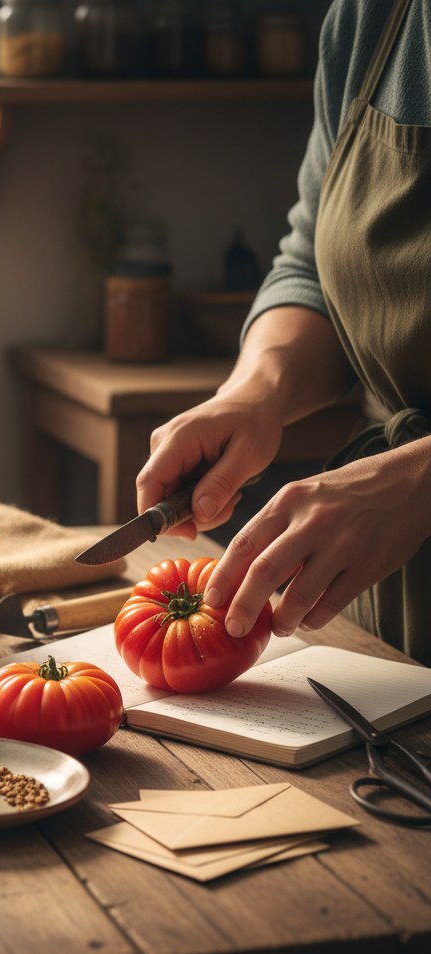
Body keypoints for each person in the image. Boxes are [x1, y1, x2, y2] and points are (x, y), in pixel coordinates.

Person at [136, 0, 431, 664]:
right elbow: (315, 265)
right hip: (388, 621)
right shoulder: (370, 18)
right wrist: (256, 393)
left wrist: (420, 480)